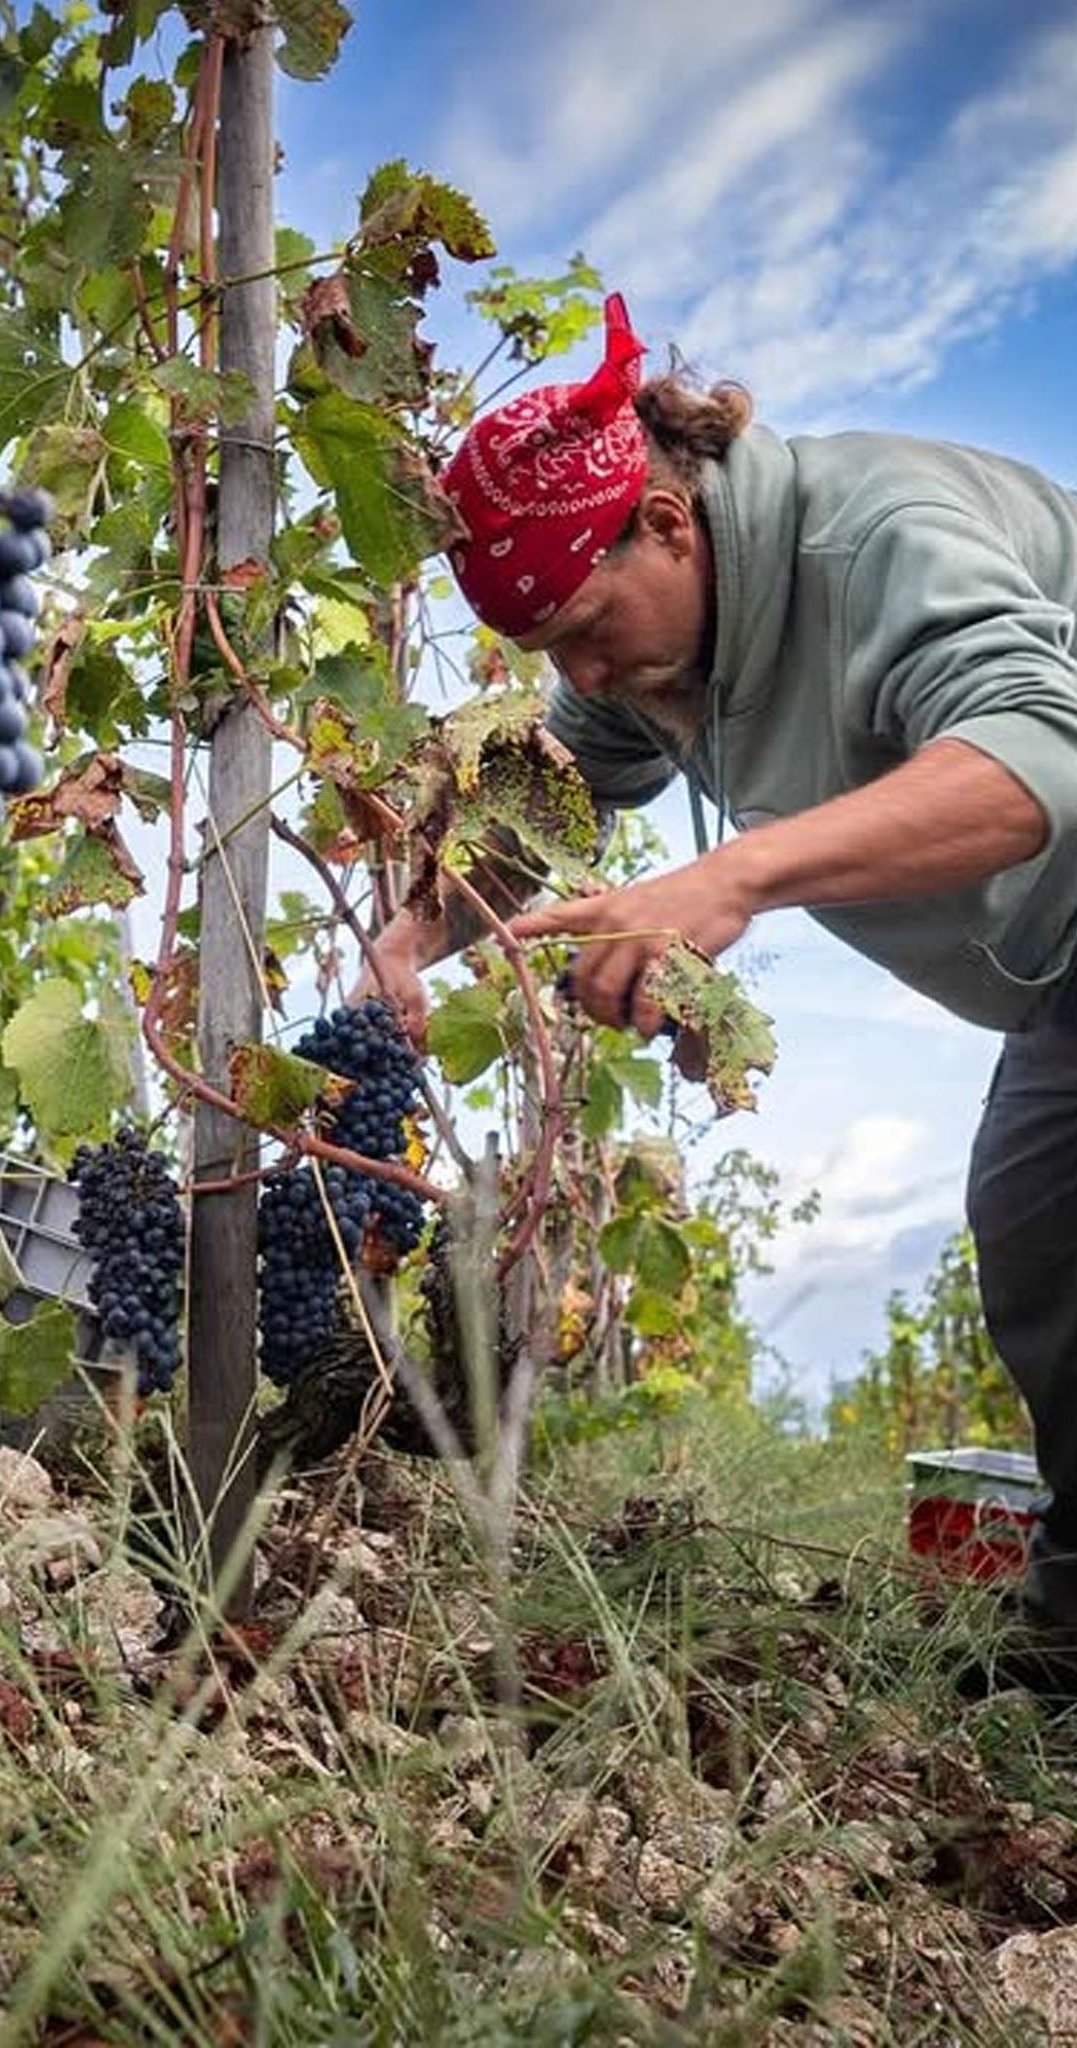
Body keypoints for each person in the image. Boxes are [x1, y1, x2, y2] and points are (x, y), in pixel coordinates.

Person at [356, 293, 1077, 1636]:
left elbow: (1036, 759)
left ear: (668, 524)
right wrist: (416, 932)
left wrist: (730, 876)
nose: (583, 674)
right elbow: (558, 799)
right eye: (551, 653)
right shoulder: (658, 652)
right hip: (1057, 984)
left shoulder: (875, 538)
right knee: (1040, 1232)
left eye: (586, 628)